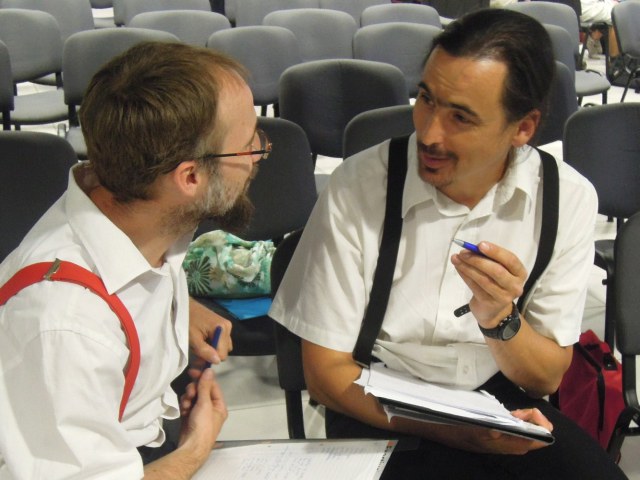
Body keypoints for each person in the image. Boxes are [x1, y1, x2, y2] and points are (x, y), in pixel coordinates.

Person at [270, 9, 626, 479]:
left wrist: (500, 319)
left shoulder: (565, 198)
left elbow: (544, 377)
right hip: (375, 400)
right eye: (426, 99)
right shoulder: (361, 186)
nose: (429, 132)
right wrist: (460, 433)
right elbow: (326, 375)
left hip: (497, 398)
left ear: (523, 128)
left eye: (460, 117)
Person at [0, 41, 268, 478]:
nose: (258, 155)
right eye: (248, 145)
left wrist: (178, 310)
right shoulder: (66, 322)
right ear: (190, 177)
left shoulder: (142, 217)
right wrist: (197, 446)